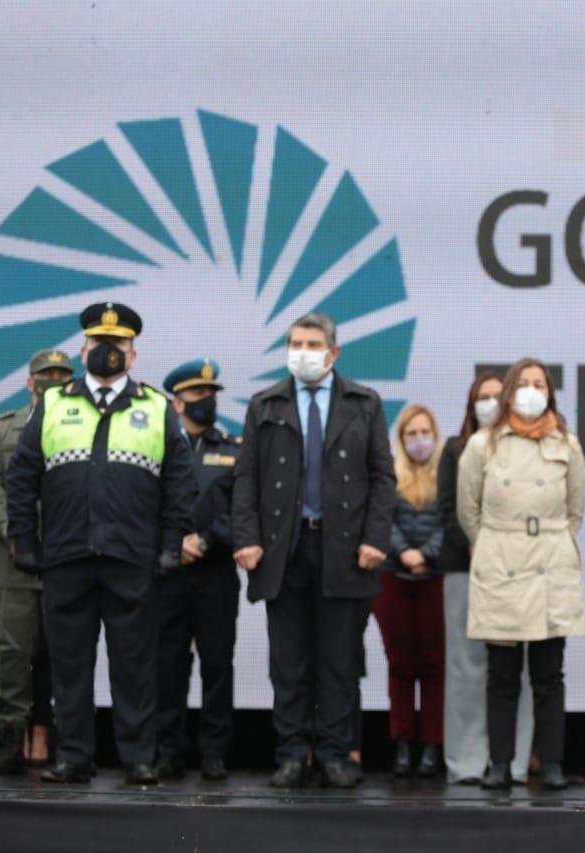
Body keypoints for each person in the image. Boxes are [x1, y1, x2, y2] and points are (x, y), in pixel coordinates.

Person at [6, 302, 194, 785]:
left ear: (133, 354)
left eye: (117, 344)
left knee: (135, 664)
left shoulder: (155, 406)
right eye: (98, 343)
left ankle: (138, 758)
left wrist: (172, 542)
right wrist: (24, 539)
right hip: (66, 555)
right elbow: (21, 476)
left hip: (132, 556)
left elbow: (180, 481)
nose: (107, 351)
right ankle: (73, 757)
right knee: (69, 666)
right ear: (83, 348)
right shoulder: (53, 403)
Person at [232, 312, 395, 789]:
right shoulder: (265, 404)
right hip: (284, 548)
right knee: (289, 662)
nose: (302, 352)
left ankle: (335, 754)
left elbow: (383, 477)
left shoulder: (364, 403)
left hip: (345, 548)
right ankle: (291, 753)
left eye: (311, 344)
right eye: (295, 344)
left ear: (333, 352)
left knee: (338, 661)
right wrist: (246, 537)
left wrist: (375, 538)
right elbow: (246, 477)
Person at [457, 357, 585, 791]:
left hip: (550, 560)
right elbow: (468, 510)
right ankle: (499, 763)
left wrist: (552, 540)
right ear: (509, 393)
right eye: (524, 384)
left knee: (549, 675)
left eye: (540, 384)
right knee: (502, 675)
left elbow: (575, 510)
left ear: (551, 393)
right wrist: (493, 544)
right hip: (501, 560)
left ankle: (551, 763)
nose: (532, 391)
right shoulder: (483, 445)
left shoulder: (567, 444)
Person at [0, 349, 73, 774]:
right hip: (13, 561)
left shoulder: (84, 426)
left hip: (68, 560)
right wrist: (13, 532)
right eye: (46, 375)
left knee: (67, 654)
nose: (53, 382)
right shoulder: (2, 431)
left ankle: (66, 744)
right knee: (12, 653)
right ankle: (11, 739)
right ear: (30, 382)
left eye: (62, 376)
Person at [437, 373, 536, 785]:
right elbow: (448, 509)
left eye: (498, 396)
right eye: (483, 397)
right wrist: (478, 544)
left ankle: (511, 760)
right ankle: (465, 762)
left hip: (516, 571)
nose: (491, 404)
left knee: (516, 669)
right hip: (465, 567)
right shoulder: (455, 448)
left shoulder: (526, 449)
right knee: (465, 667)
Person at [154, 359, 243, 782]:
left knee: (217, 665)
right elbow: (143, 505)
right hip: (168, 572)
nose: (206, 399)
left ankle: (214, 752)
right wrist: (173, 544)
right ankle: (168, 750)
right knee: (167, 665)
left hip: (215, 572)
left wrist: (205, 540)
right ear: (177, 402)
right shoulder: (158, 448)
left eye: (210, 393)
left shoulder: (234, 448)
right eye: (197, 393)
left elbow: (244, 508)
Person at [376, 404, 446, 777]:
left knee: (434, 666)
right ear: (400, 439)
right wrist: (404, 552)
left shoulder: (447, 474)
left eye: (425, 432)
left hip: (435, 579)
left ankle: (432, 747)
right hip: (393, 578)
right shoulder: (388, 475)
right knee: (400, 665)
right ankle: (402, 746)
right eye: (411, 433)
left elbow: (452, 519)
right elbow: (381, 519)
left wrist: (426, 554)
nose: (419, 440)